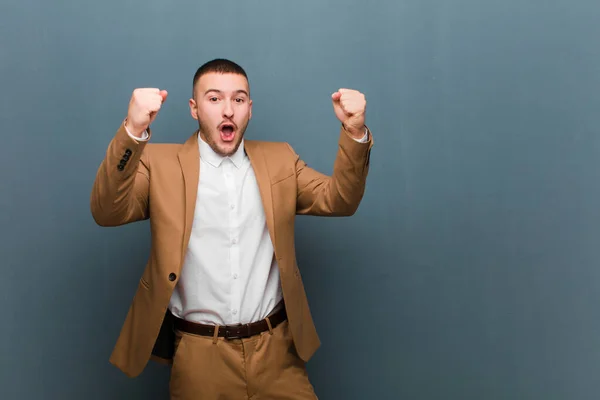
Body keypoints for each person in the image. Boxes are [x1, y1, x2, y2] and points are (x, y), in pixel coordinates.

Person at [90, 58, 374, 399]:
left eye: (238, 99)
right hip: (200, 357)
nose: (228, 110)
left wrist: (355, 132)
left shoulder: (280, 159)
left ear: (249, 109)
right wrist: (132, 132)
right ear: (194, 109)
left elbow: (341, 199)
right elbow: (107, 211)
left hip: (277, 351)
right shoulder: (159, 163)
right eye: (214, 99)